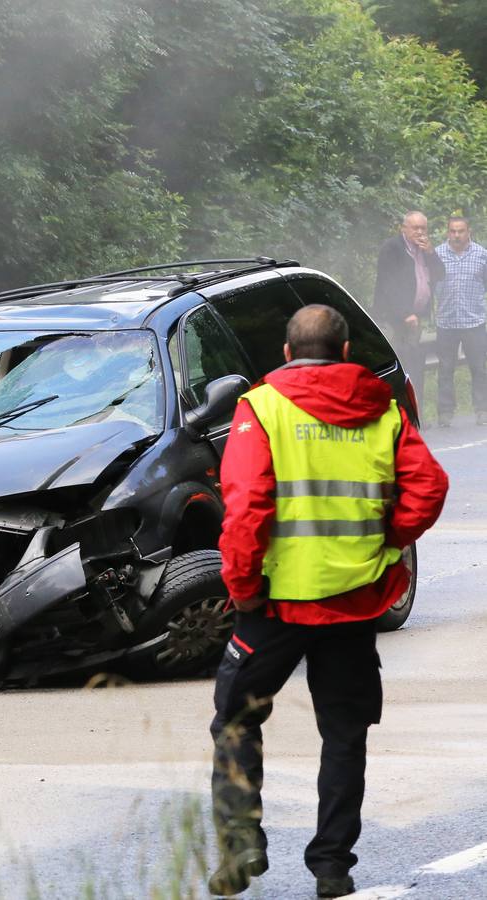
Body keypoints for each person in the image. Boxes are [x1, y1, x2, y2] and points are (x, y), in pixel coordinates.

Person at [207, 304, 448, 898]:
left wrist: (244, 590)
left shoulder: (260, 409)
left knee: (236, 720)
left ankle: (241, 848)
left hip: (275, 608)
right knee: (344, 734)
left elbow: (246, 511)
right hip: (355, 605)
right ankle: (332, 867)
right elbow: (429, 486)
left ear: (287, 353)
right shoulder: (383, 410)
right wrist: (388, 539)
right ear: (345, 353)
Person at [372, 211, 445, 419]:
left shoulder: (424, 250)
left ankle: (414, 415)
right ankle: (391, 416)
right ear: (404, 228)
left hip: (415, 319)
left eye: (423, 228)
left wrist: (431, 253)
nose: (420, 232)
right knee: (393, 366)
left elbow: (441, 275)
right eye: (415, 228)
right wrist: (404, 313)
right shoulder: (392, 248)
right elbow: (387, 284)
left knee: (414, 367)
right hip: (394, 319)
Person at [432, 215, 487, 427]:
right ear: (448, 232)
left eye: (460, 231)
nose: (456, 235)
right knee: (445, 368)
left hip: (474, 322)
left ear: (468, 231)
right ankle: (445, 412)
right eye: (453, 231)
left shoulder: (482, 255)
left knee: (479, 368)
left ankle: (482, 409)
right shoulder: (436, 255)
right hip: (446, 323)